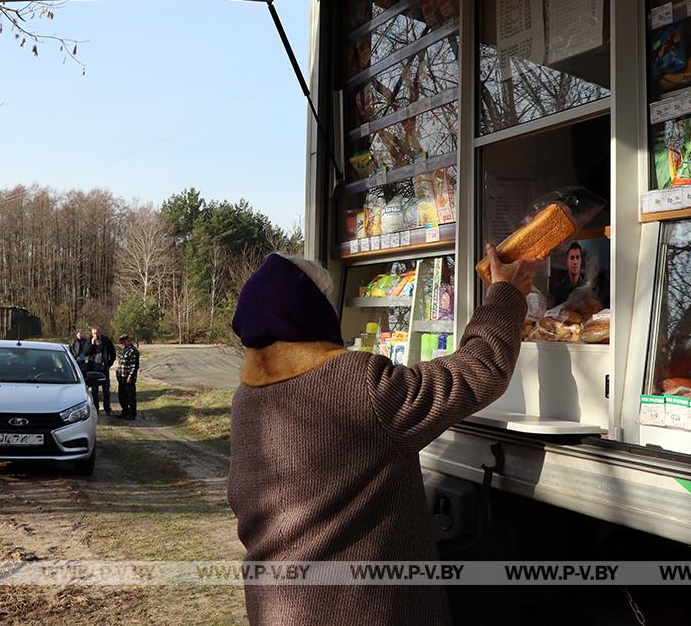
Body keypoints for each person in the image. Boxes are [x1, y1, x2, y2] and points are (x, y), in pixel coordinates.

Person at [227, 246, 537, 626]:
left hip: (277, 608)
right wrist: (506, 294)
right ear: (312, 311)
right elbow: (480, 370)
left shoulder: (246, 398)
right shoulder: (355, 383)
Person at [84, 326, 116, 415]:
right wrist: (92, 344)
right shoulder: (89, 341)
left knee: (106, 390)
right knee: (94, 391)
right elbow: (85, 353)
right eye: (94, 333)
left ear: (100, 332)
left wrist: (109, 364)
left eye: (97, 333)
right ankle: (96, 409)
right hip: (94, 370)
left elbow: (113, 354)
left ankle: (107, 409)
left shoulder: (106, 341)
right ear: (92, 333)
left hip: (104, 370)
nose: (96, 335)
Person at [552, 241, 588, 306]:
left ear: (581, 261)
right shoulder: (558, 291)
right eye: (572, 258)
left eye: (577, 257)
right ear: (567, 261)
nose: (575, 262)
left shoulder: (587, 290)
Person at [115, 334, 139, 420]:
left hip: (128, 377)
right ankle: (124, 411)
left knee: (130, 396)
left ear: (127, 341)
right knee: (122, 396)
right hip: (121, 376)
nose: (121, 344)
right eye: (120, 342)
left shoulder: (133, 351)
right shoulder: (123, 350)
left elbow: (134, 366)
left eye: (122, 342)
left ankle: (132, 414)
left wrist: (130, 377)